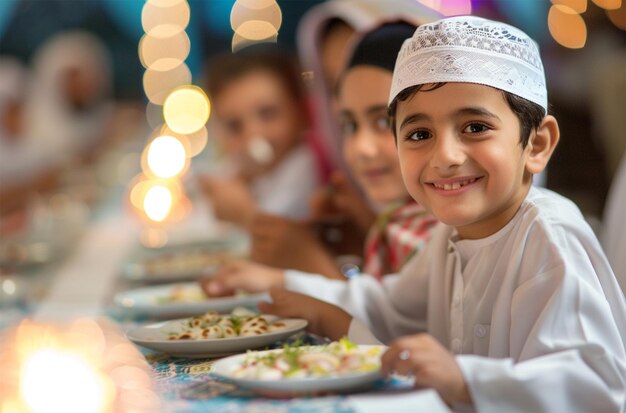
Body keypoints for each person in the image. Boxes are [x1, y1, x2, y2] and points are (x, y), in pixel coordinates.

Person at [213, 16, 626, 412]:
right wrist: (301, 297)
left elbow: (597, 386)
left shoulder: (547, 236)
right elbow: (388, 307)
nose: (445, 156)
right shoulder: (451, 234)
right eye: (419, 134)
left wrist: (465, 379)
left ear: (537, 144)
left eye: (475, 127)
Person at [202, 21, 438, 292]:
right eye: (349, 125)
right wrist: (363, 232)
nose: (363, 146)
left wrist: (311, 261)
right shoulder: (399, 216)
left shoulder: (444, 227)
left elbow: (391, 327)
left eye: (384, 121)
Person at [199, 47, 322, 227]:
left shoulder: (305, 165)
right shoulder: (245, 170)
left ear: (300, 112)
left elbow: (281, 234)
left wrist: (243, 214)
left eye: (268, 113)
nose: (253, 134)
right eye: (234, 126)